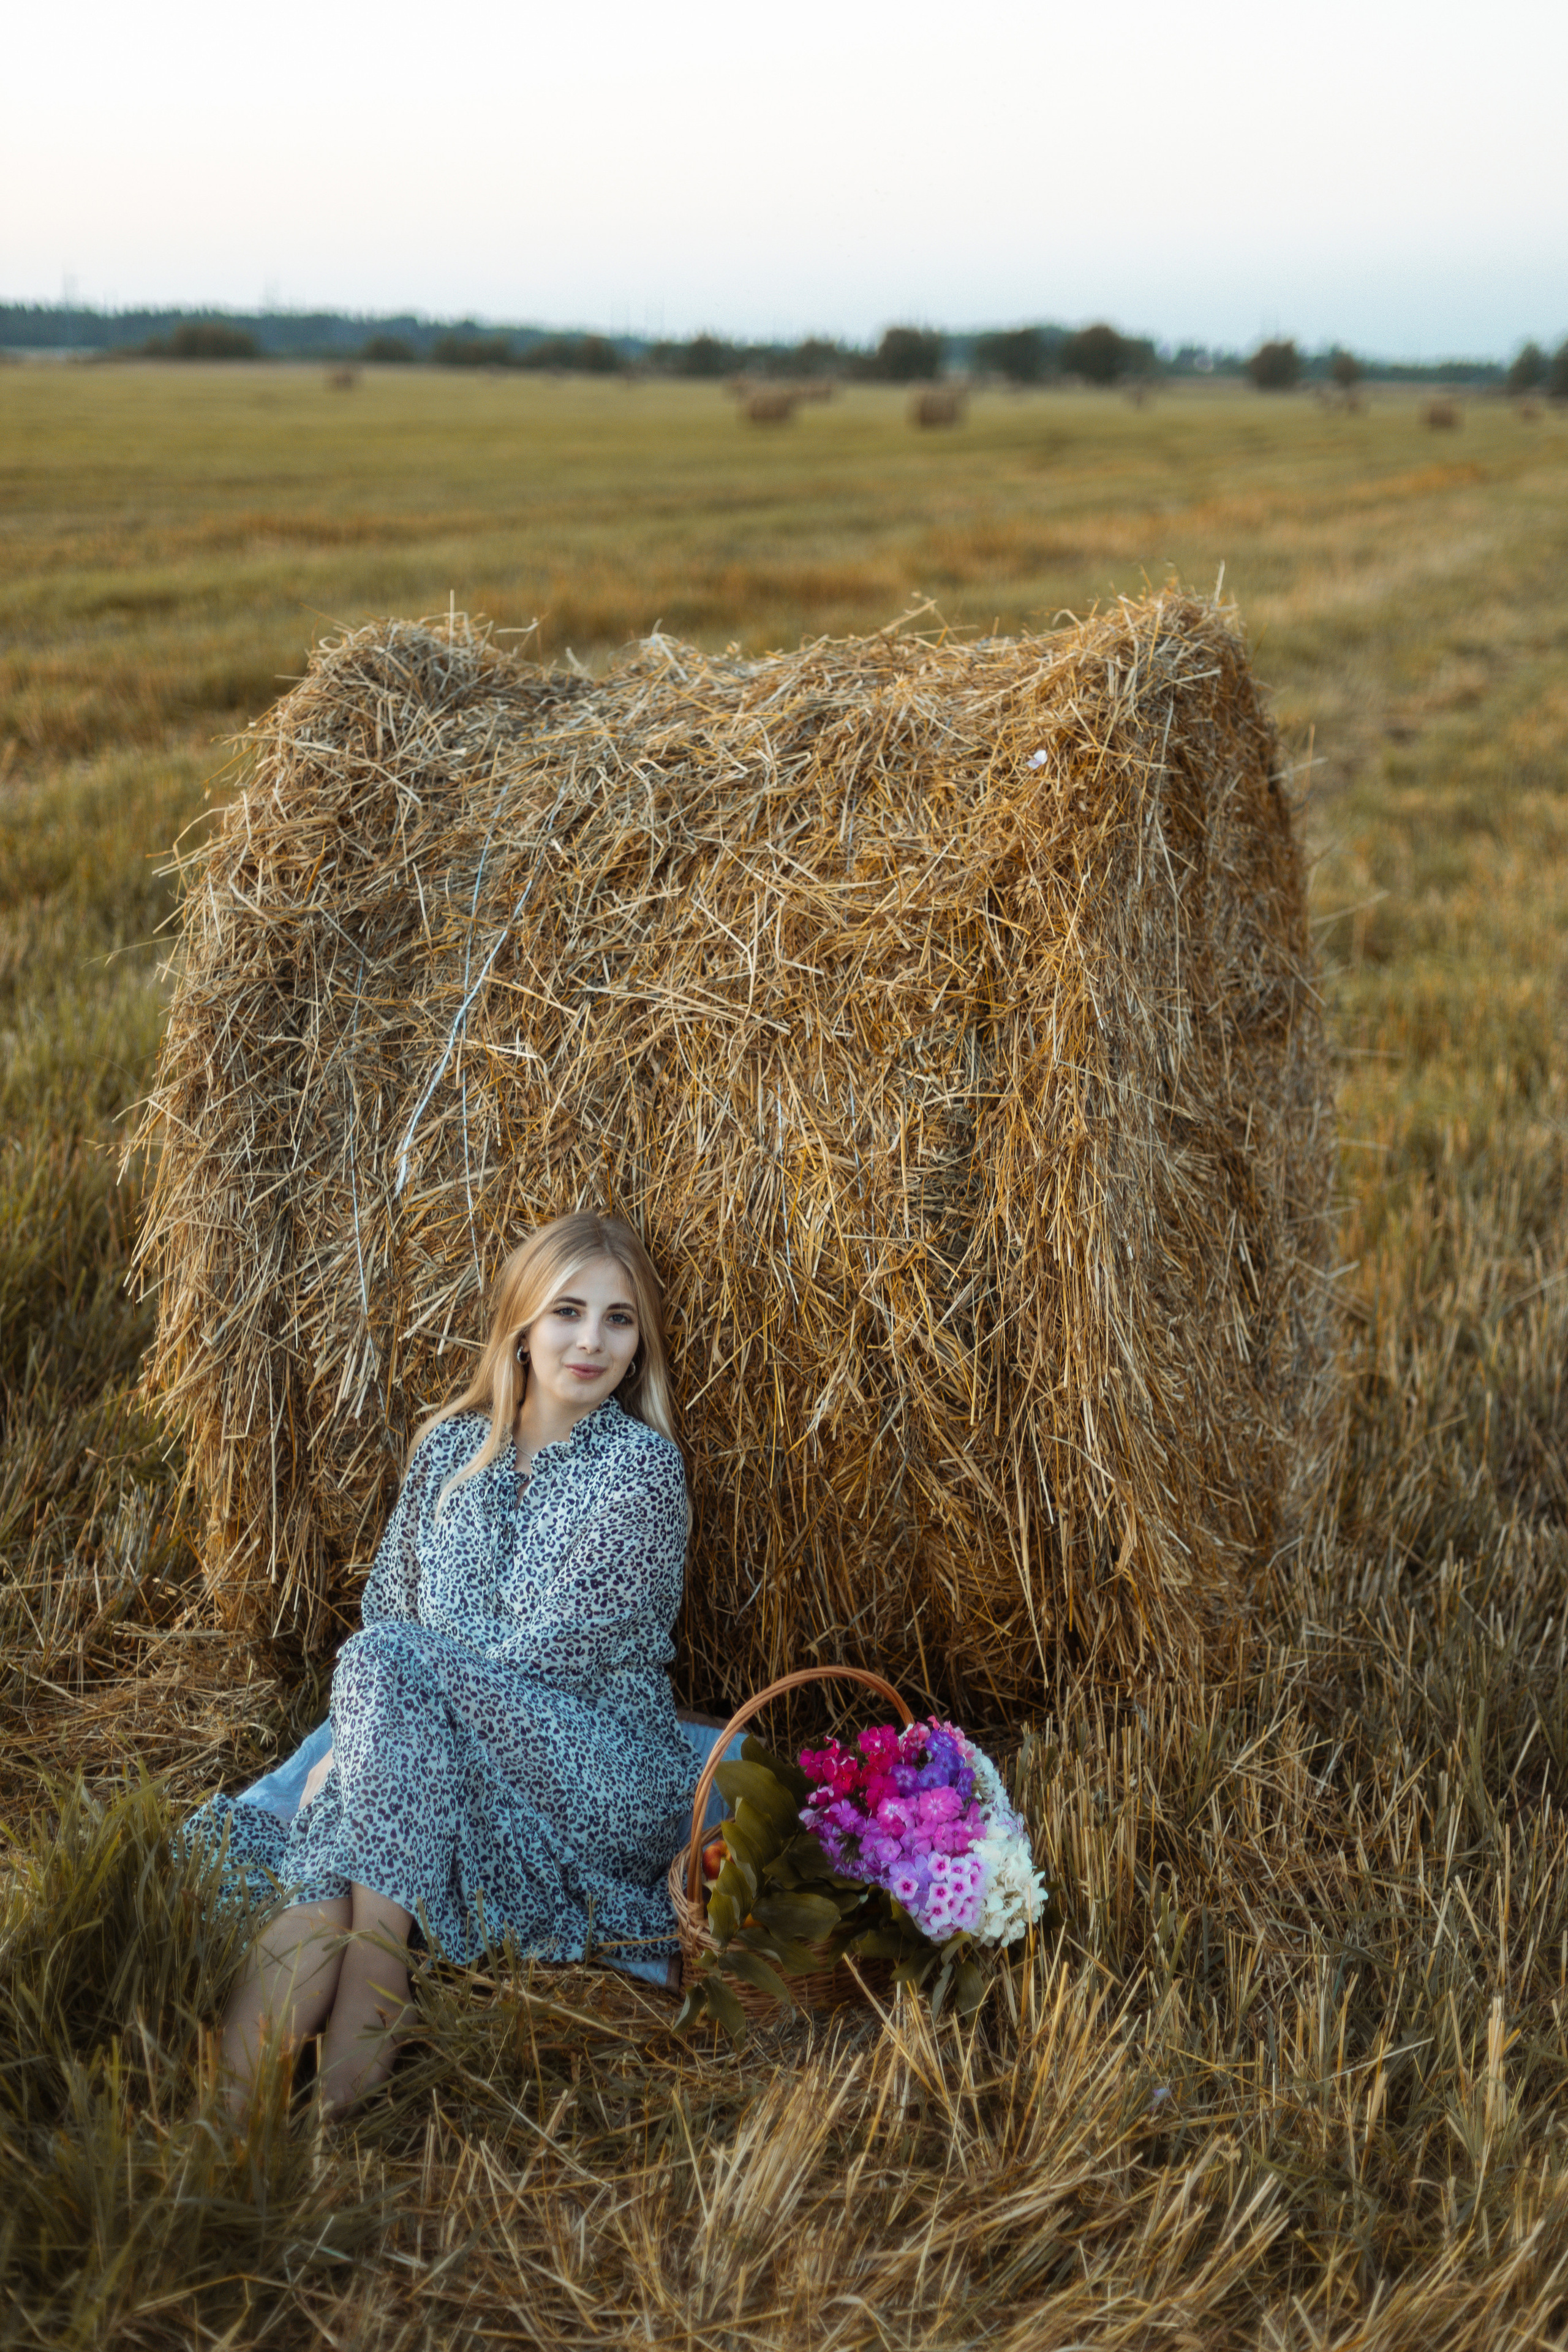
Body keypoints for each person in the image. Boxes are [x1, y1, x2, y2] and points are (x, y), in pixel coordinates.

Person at [187, 1210, 695, 2120]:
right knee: (330, 1867)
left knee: (358, 1766)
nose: (591, 1341)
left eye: (619, 1320)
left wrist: (365, 1752)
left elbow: (545, 1667)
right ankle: (222, 2135)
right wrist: (371, 1745)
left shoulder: (642, 1473)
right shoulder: (450, 1451)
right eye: (567, 1312)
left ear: (640, 1343)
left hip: (594, 1769)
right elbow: (390, 1607)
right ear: (522, 1329)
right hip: (436, 1746)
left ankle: (374, 1980)